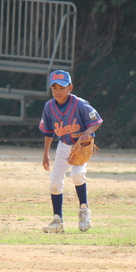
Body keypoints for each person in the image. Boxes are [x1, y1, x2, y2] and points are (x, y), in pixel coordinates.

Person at [38, 70, 103, 233]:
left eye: (62, 87)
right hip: (63, 146)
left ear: (70, 88)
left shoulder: (80, 104)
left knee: (77, 175)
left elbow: (97, 121)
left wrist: (87, 134)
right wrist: (46, 153)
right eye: (54, 87)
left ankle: (84, 210)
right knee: (54, 183)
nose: (58, 91)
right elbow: (48, 132)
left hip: (81, 146)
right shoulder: (49, 107)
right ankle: (57, 220)